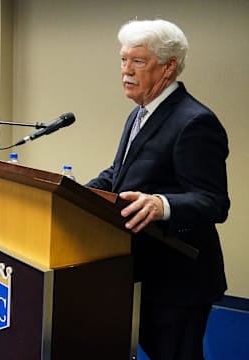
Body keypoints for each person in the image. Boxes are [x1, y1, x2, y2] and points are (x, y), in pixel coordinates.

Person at [86, 19, 230, 360]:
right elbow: (120, 173)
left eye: (138, 61)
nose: (125, 71)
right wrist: (78, 193)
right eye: (123, 60)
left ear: (169, 67)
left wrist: (161, 205)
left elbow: (214, 202)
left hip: (179, 278)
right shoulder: (140, 113)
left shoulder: (195, 121)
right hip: (142, 270)